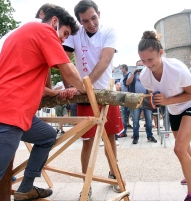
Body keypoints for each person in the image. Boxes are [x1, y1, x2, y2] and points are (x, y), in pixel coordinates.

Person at [0, 6, 86, 200]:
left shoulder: (21, 35)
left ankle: (26, 187)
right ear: (54, 22)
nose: (62, 40)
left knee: (47, 136)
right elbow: (68, 71)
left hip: (7, 111)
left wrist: (55, 92)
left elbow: (29, 81)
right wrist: (84, 89)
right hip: (7, 115)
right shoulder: (44, 31)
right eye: (65, 33)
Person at [62, 0, 123, 197]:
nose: (91, 24)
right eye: (85, 21)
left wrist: (86, 85)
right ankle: (86, 185)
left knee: (110, 137)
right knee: (87, 141)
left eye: (93, 18)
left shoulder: (109, 32)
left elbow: (105, 61)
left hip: (105, 92)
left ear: (99, 13)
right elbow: (63, 59)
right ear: (80, 21)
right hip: (83, 95)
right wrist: (69, 86)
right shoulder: (75, 34)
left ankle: (114, 174)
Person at [0, 3, 57, 147]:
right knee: (8, 116)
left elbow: (45, 65)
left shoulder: (24, 28)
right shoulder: (41, 26)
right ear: (43, 14)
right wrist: (51, 91)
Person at [138, 31, 191, 201]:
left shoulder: (177, 68)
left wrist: (166, 100)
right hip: (174, 109)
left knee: (179, 148)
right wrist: (155, 101)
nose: (147, 64)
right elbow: (157, 94)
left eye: (150, 59)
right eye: (143, 60)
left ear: (161, 53)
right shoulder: (144, 76)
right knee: (185, 146)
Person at [126, 60, 157, 144]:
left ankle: (150, 136)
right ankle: (135, 137)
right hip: (136, 99)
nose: (140, 67)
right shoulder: (132, 74)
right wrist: (134, 73)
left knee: (149, 119)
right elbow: (127, 83)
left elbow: (153, 85)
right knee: (135, 119)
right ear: (136, 66)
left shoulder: (148, 73)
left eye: (142, 65)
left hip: (146, 98)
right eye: (139, 66)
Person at [117, 64, 131, 138]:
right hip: (121, 95)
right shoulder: (122, 76)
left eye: (121, 68)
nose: (120, 70)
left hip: (128, 96)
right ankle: (123, 131)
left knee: (129, 115)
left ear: (124, 68)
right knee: (123, 115)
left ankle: (134, 133)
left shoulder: (129, 75)